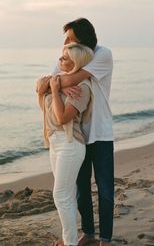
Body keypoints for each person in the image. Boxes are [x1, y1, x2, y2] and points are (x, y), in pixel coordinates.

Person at [52, 18, 114, 246]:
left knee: (105, 189)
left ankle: (105, 240)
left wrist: (59, 83)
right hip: (78, 135)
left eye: (69, 38)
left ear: (82, 41)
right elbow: (43, 82)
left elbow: (75, 77)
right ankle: (88, 233)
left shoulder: (102, 54)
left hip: (101, 133)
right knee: (81, 190)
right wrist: (57, 83)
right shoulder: (67, 56)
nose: (65, 43)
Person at [37, 42, 94, 246]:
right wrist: (59, 84)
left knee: (60, 195)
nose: (60, 60)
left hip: (71, 144)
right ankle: (68, 239)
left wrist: (54, 89)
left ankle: (69, 242)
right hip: (55, 142)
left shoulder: (83, 89)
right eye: (61, 56)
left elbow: (62, 118)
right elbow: (38, 87)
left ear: (76, 63)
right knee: (66, 195)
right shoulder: (58, 80)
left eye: (65, 58)